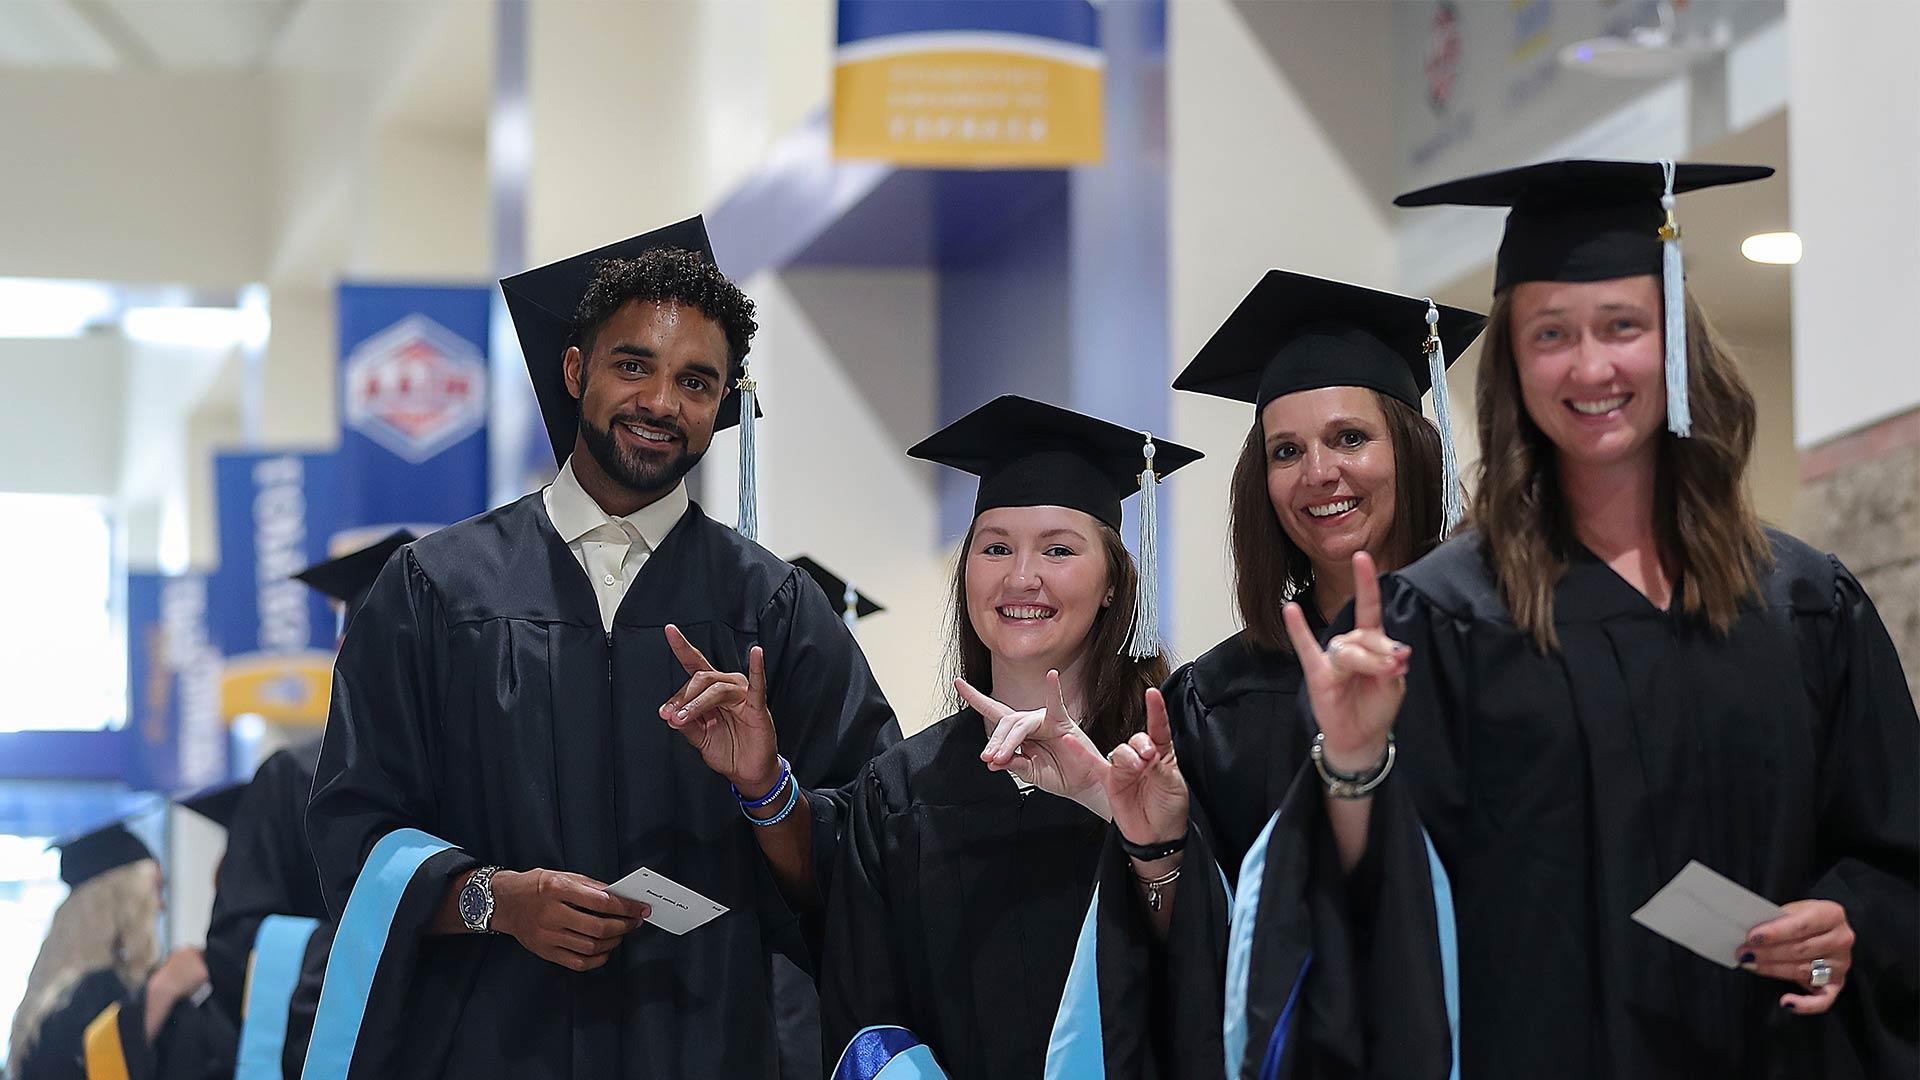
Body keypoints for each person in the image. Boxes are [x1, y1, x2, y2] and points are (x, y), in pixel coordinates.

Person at [1273, 159, 1918, 1078]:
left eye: (1624, 327)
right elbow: (1382, 920)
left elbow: (1894, 855)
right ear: (1514, 364)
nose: (1591, 366)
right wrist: (1351, 764)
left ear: (1675, 343)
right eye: (1551, 334)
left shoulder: (1804, 605)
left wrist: (1847, 928)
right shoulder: (1446, 618)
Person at [304, 216, 899, 1079]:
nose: (662, 402)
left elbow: (869, 860)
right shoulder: (438, 590)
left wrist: (769, 791)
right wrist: (495, 901)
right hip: (491, 1047)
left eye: (697, 382)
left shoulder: (772, 608)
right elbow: (352, 833)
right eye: (634, 366)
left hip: (706, 1046)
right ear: (575, 370)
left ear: (721, 402)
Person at [1014, 273, 1486, 1076]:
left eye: (1349, 438)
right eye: (1286, 451)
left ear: (1411, 446)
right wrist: (1156, 847)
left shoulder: (1490, 649)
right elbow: (1191, 973)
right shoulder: (1218, 700)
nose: (1319, 473)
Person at [815, 394, 1200, 1079]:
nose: (1022, 577)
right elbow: (865, 1013)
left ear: (1113, 581)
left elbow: (1216, 969)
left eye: (1058, 549)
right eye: (996, 548)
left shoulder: (1165, 759)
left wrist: (1128, 826)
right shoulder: (899, 788)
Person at [9, 823, 232, 1080]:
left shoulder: (54, 999)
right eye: (156, 889)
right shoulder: (93, 995)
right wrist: (163, 991)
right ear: (124, 899)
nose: (161, 906)